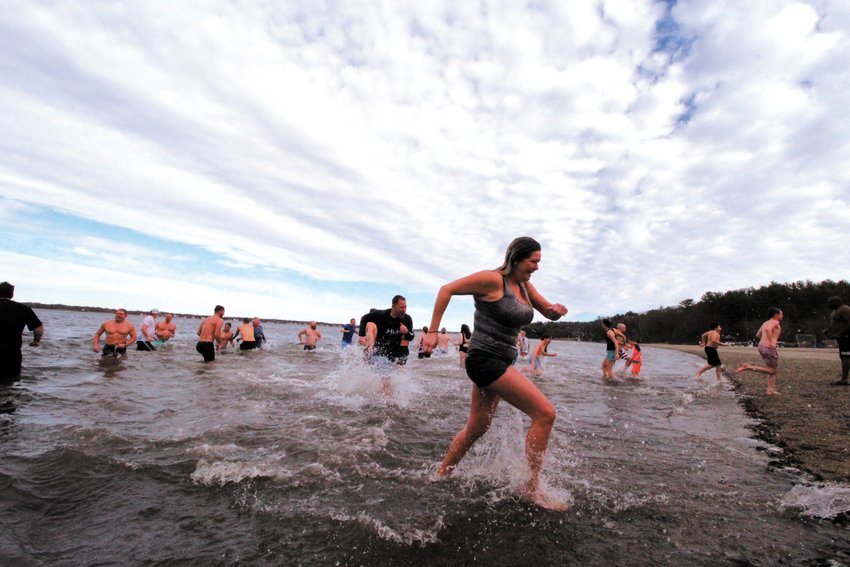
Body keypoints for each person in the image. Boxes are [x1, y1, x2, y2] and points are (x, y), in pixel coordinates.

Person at [422, 236, 568, 510]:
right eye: (533, 261)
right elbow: (446, 289)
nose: (536, 267)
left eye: (539, 262)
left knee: (478, 427)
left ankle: (441, 474)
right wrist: (431, 331)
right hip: (485, 359)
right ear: (515, 257)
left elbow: (548, 313)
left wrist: (557, 311)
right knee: (545, 413)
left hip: (502, 360)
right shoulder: (492, 280)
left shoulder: (525, 286)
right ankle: (532, 489)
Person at [0, 282, 44, 382]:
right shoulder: (23, 309)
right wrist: (36, 341)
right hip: (12, 356)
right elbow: (38, 327)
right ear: (12, 294)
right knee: (11, 385)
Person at [736, 308, 783, 396]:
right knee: (772, 370)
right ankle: (748, 367)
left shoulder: (765, 322)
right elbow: (767, 330)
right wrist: (772, 341)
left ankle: (770, 390)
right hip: (769, 348)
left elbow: (758, 334)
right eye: (781, 314)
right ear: (775, 315)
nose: (782, 316)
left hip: (761, 347)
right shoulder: (775, 322)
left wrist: (767, 338)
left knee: (772, 369)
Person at [358, 296, 414, 365]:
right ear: (393, 306)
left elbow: (411, 337)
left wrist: (406, 332)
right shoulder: (382, 315)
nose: (404, 309)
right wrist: (362, 335)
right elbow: (364, 318)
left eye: (405, 307)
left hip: (395, 356)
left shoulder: (407, 319)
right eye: (401, 307)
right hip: (380, 354)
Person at [825, 296, 850, 385]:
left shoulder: (845, 309)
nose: (829, 305)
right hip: (842, 337)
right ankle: (844, 378)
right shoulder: (836, 311)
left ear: (837, 302)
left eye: (831, 302)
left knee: (846, 356)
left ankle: (844, 379)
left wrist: (841, 333)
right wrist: (829, 330)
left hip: (847, 336)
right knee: (844, 356)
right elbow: (837, 323)